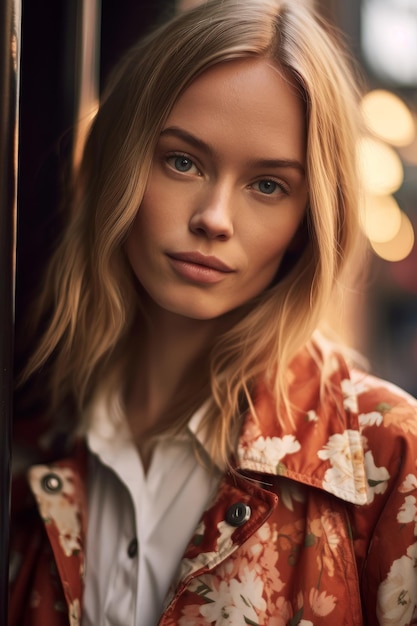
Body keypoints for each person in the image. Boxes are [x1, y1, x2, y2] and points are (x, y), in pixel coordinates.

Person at [9, 0, 417, 624]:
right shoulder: (37, 439)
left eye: (268, 185)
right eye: (182, 161)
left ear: (309, 219)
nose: (215, 218)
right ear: (122, 161)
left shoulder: (388, 457)